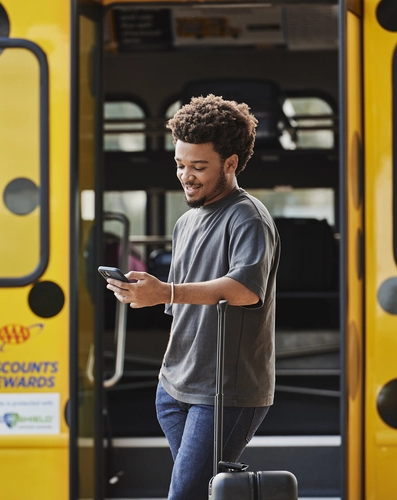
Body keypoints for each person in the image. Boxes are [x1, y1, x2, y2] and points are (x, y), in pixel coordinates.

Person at [105, 94, 280, 500]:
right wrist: (145, 293)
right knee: (202, 494)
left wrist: (164, 290)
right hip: (175, 388)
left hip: (224, 393)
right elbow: (182, 307)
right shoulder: (185, 222)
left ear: (231, 163)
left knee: (186, 495)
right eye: (181, 165)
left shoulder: (249, 217)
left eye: (199, 167)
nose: (187, 176)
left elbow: (244, 290)